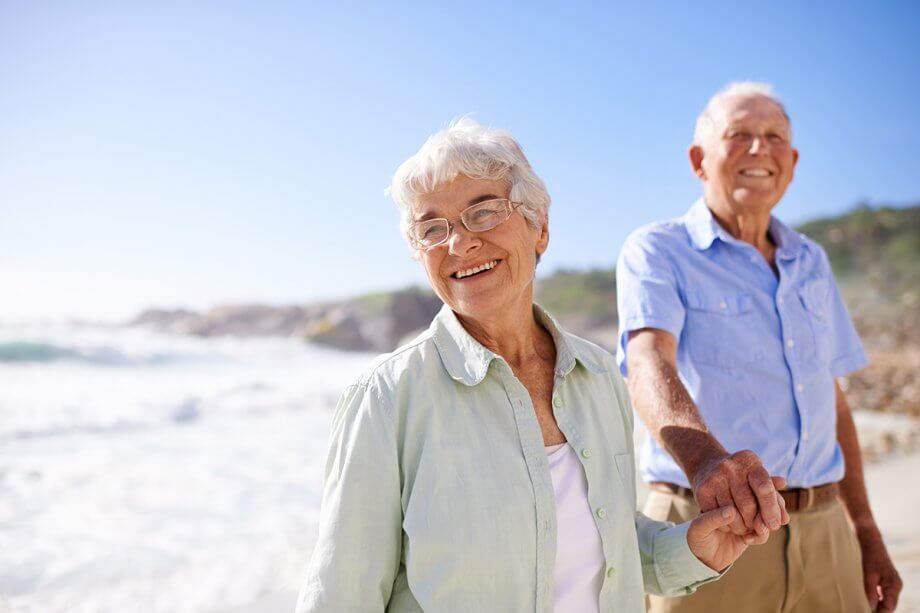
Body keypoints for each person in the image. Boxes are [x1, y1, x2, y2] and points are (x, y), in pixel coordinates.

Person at [296, 118, 784, 612]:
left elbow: (607, 543)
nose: (459, 243)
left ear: (540, 228)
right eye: (432, 229)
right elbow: (341, 594)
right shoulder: (386, 397)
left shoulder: (597, 377)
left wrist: (693, 549)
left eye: (483, 212)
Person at [616, 82, 903, 612]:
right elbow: (647, 361)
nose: (758, 150)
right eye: (739, 135)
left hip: (825, 533)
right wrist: (707, 464)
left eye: (773, 137)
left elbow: (830, 397)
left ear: (791, 162)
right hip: (709, 531)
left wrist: (866, 531)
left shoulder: (811, 260)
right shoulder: (658, 250)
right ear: (699, 160)